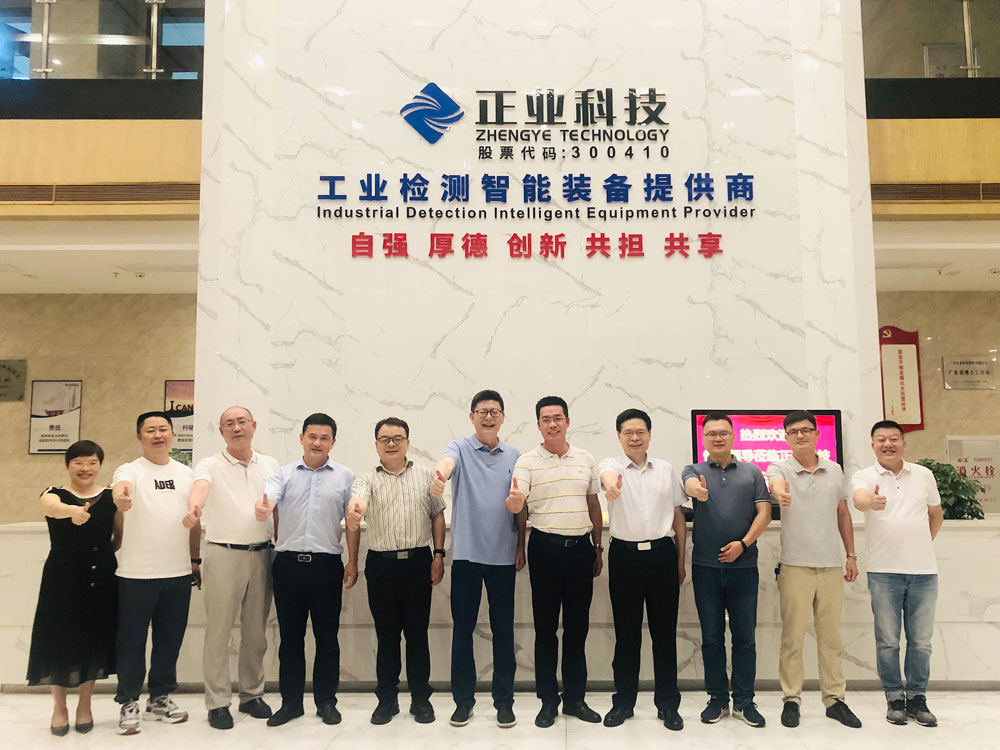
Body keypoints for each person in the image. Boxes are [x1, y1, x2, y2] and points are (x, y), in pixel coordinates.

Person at [506, 395, 603, 729]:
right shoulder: (527, 462)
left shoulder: (586, 459)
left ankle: (575, 699)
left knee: (577, 629)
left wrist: (598, 548)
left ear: (567, 422)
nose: (552, 424)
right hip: (544, 549)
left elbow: (593, 505)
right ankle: (548, 701)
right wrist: (520, 542)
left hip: (580, 550)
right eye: (546, 419)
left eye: (558, 418)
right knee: (545, 630)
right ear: (538, 425)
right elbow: (520, 507)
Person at [254, 412, 357, 727]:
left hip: (326, 566)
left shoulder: (345, 476)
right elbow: (269, 500)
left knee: (327, 638)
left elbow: (353, 521)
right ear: (301, 438)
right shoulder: (283, 474)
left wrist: (353, 561)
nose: (317, 443)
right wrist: (264, 507)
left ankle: (326, 702)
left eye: (324, 438)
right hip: (288, 566)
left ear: (333, 442)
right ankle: (291, 703)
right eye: (312, 436)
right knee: (290, 639)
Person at [430, 389, 523, 729]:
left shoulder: (514, 454)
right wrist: (440, 475)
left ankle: (504, 703)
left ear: (503, 417)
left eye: (494, 411)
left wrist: (521, 546)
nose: (488, 417)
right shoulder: (460, 448)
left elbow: (521, 504)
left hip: (503, 556)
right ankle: (463, 702)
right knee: (463, 632)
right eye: (482, 411)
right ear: (471, 417)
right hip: (467, 556)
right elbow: (447, 463)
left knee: (503, 633)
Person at [182, 406, 279, 729]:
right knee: (219, 632)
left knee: (255, 632)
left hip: (262, 554)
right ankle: (218, 702)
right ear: (221, 431)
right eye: (229, 424)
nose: (237, 428)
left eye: (242, 422)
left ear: (254, 425)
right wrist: (195, 508)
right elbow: (200, 488)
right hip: (223, 554)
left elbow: (276, 503)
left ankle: (251, 694)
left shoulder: (270, 464)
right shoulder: (209, 464)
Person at [345, 417, 446, 725]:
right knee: (386, 637)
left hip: (418, 562)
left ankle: (421, 700)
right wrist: (356, 509)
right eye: (385, 439)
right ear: (376, 445)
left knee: (417, 636)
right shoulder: (366, 478)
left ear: (407, 442)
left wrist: (438, 555)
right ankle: (387, 701)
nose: (391, 443)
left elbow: (437, 515)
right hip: (381, 565)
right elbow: (358, 502)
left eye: (397, 438)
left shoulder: (426, 474)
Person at [766, 411, 862, 729]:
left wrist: (851, 555)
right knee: (792, 638)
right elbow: (775, 485)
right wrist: (780, 493)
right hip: (795, 566)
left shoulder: (834, 470)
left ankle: (834, 700)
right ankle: (791, 699)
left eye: (806, 430)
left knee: (831, 638)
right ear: (786, 437)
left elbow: (843, 513)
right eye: (793, 431)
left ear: (817, 434)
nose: (800, 435)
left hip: (831, 565)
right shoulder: (780, 467)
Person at [596, 408, 686, 731]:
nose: (635, 438)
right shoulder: (610, 466)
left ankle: (668, 705)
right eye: (628, 433)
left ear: (649, 435)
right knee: (626, 635)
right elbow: (606, 478)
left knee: (665, 635)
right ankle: (623, 703)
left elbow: (678, 517)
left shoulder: (665, 469)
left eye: (640, 432)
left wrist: (680, 560)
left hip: (662, 554)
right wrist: (611, 488)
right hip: (625, 557)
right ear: (619, 436)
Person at [852, 419, 944, 728]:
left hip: (924, 572)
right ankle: (894, 698)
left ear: (903, 442)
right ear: (873, 445)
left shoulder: (923, 474)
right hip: (883, 573)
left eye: (893, 438)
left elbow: (935, 514)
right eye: (881, 439)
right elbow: (859, 499)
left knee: (921, 642)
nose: (888, 444)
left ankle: (917, 698)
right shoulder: (865, 476)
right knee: (888, 641)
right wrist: (871, 501)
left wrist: (921, 543)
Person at [681, 412, 771, 728]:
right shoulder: (694, 470)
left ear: (733, 436)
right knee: (711, 637)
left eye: (723, 433)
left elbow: (764, 513)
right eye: (711, 434)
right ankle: (717, 699)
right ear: (704, 439)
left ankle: (744, 702)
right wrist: (698, 491)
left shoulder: (752, 472)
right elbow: (689, 485)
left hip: (744, 567)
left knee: (745, 637)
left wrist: (743, 544)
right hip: (706, 568)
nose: (717, 438)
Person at [111, 412, 198, 735]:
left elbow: (195, 518)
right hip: (136, 574)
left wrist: (195, 560)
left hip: (177, 572)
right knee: (131, 642)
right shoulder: (130, 470)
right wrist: (120, 497)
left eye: (163, 429)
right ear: (140, 437)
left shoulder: (186, 474)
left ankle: (160, 698)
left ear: (173, 434)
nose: (158, 435)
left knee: (169, 641)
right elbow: (121, 488)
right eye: (150, 430)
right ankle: (128, 702)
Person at [27, 440, 120, 736]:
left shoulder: (110, 496)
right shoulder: (53, 493)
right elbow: (52, 509)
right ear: (67, 465)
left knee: (93, 640)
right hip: (61, 579)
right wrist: (73, 512)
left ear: (100, 465)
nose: (85, 468)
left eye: (92, 462)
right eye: (78, 462)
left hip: (101, 578)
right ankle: (59, 707)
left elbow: (118, 537)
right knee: (58, 639)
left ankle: (84, 705)